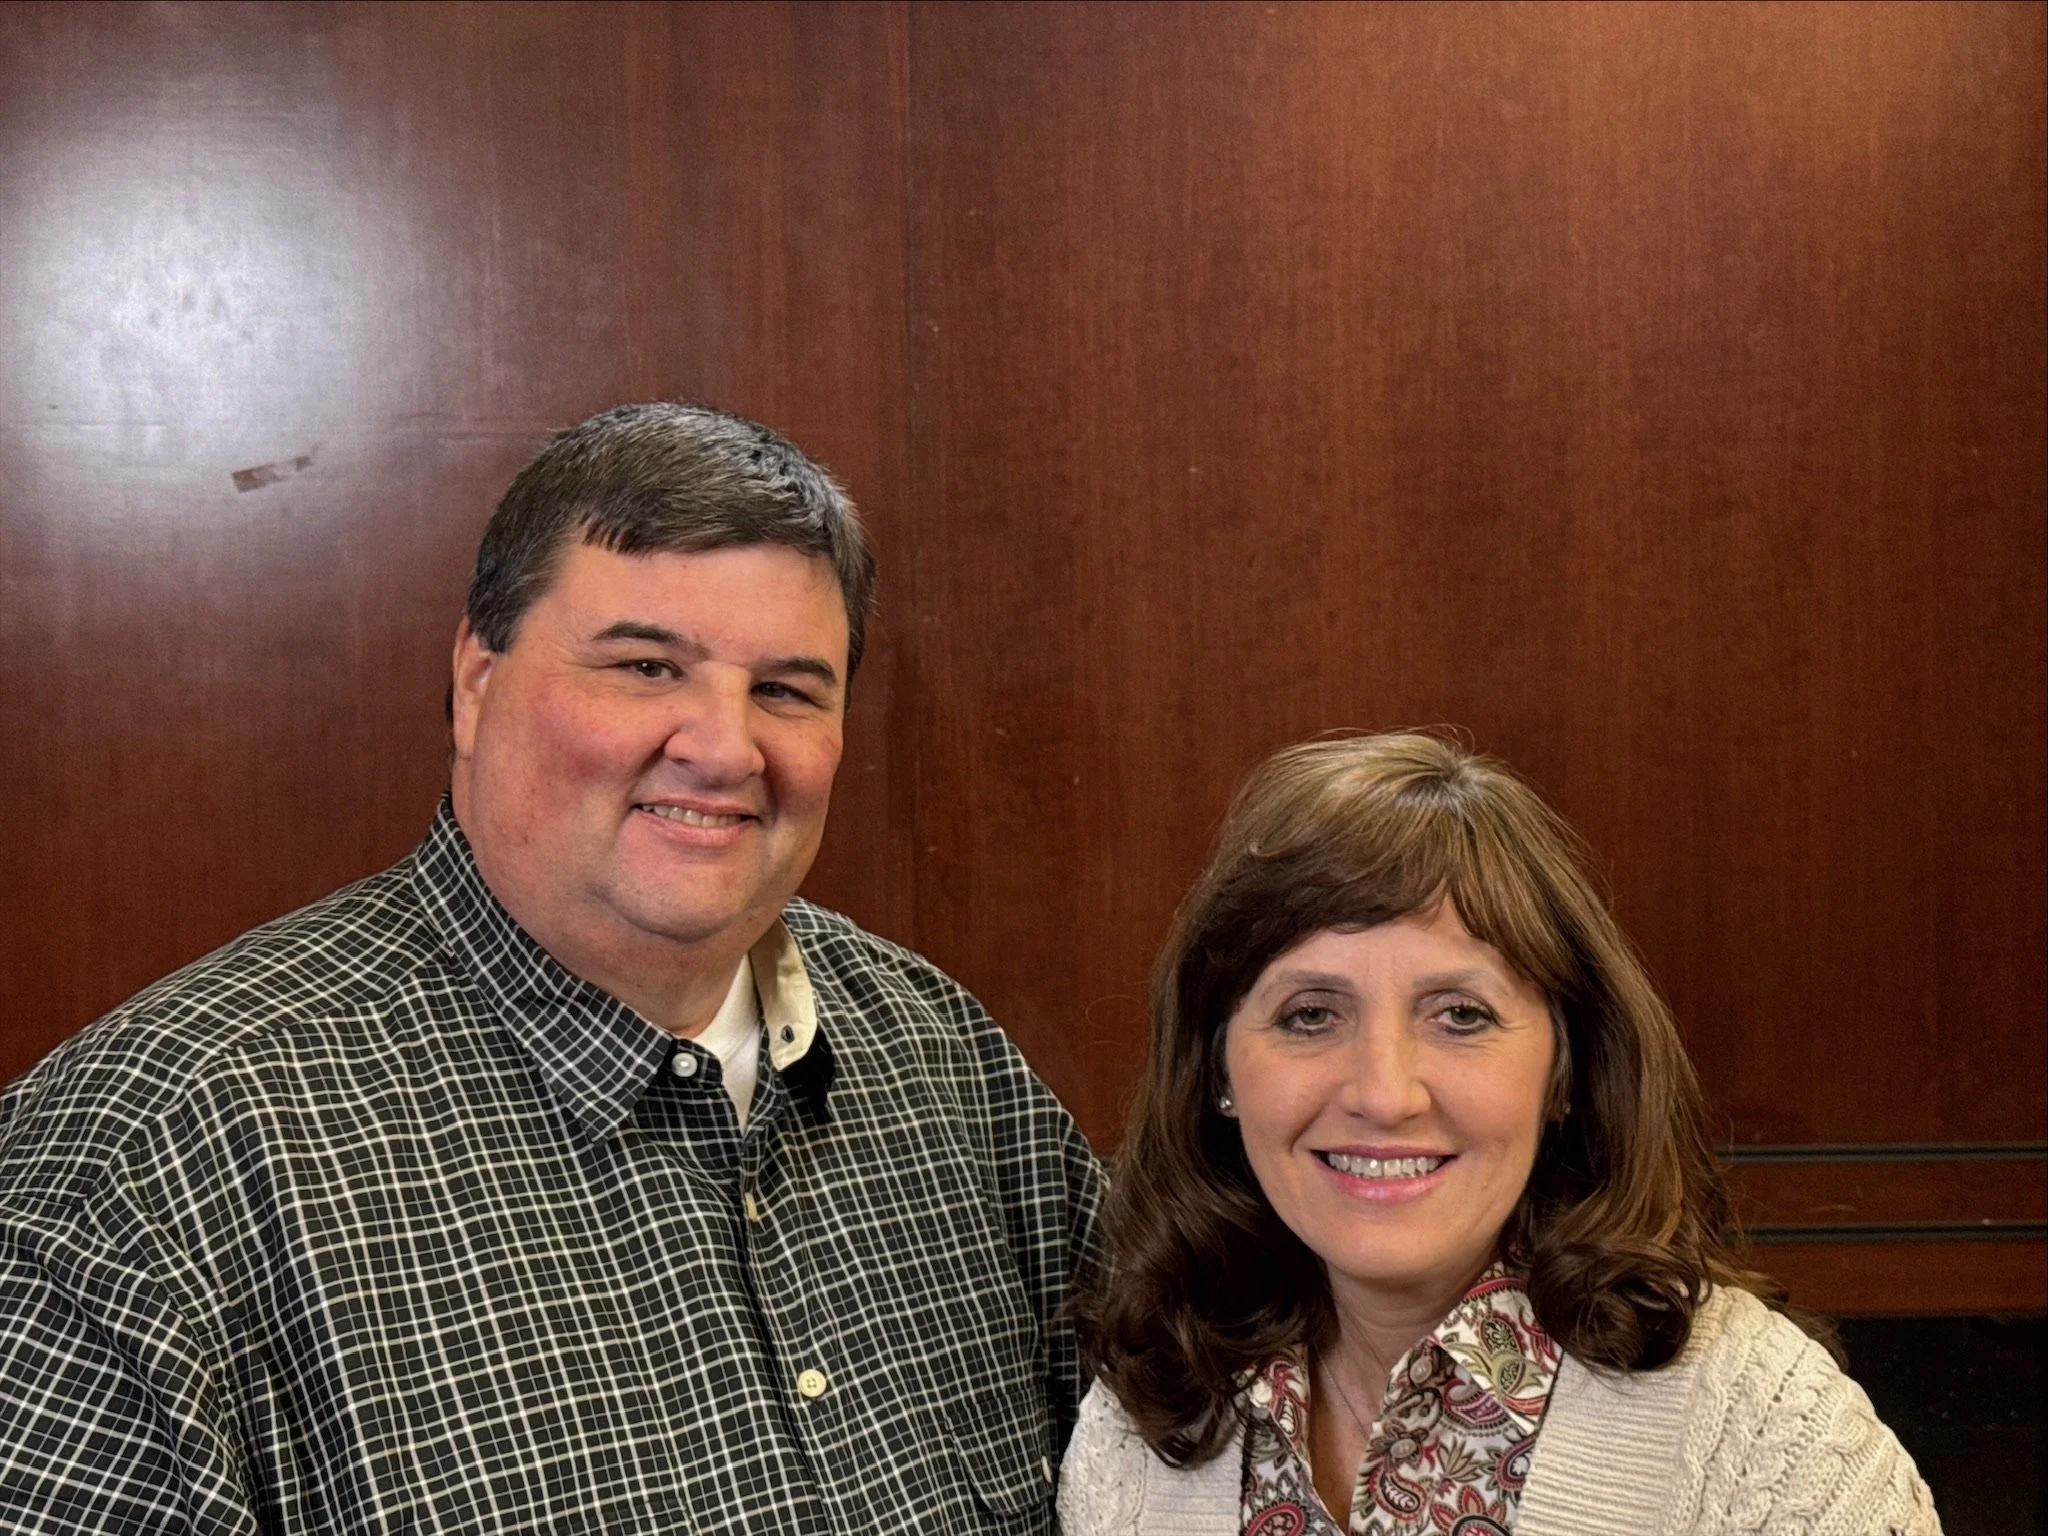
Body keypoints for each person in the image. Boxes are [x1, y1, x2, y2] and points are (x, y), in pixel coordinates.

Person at [0, 403, 1102, 1533]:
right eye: (645, 666)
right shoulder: (148, 1167)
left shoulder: (948, 1064)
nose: (724, 749)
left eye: (785, 690)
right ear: (477, 681)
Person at [1059, 732, 1937, 1536]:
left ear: (1565, 1072)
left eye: (1461, 1015)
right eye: (1311, 1014)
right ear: (1217, 1071)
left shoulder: (1761, 1431)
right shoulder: (1140, 1425)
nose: (1385, 1094)